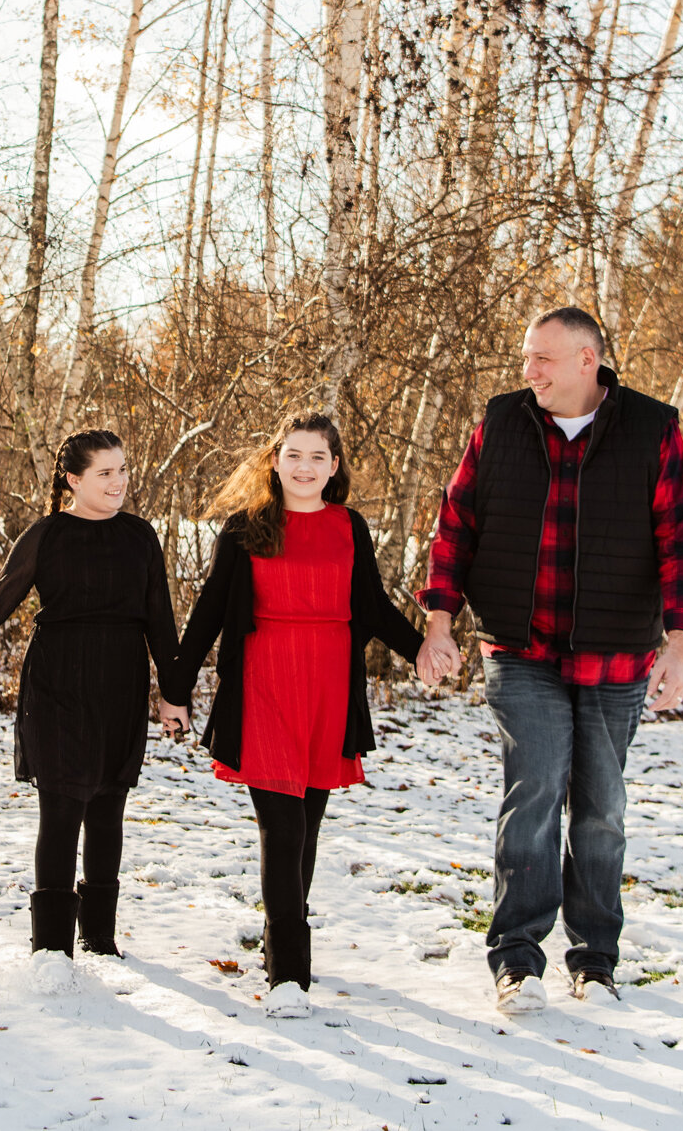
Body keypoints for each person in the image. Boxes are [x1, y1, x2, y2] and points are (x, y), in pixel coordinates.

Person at [414, 307, 683, 1014]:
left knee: (601, 809)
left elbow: (681, 539)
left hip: (615, 655)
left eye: (542, 358)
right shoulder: (501, 425)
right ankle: (518, 959)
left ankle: (596, 961)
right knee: (536, 792)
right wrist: (438, 619)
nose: (529, 371)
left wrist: (680, 645)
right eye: (525, 357)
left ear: (588, 360)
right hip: (521, 648)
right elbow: (456, 522)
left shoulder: (649, 429)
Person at [165, 411, 451, 1019]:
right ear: (274, 461)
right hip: (263, 683)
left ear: (335, 466)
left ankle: (280, 948)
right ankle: (289, 976)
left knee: (309, 829)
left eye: (318, 457)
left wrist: (421, 648)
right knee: (283, 827)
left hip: (327, 687)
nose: (304, 467)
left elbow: (370, 607)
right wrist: (175, 687)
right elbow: (209, 613)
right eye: (293, 455)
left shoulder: (351, 527)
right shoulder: (245, 529)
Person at [0, 430, 192, 993]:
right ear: (73, 481)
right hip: (57, 683)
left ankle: (100, 937)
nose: (119, 482)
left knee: (108, 808)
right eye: (105, 473)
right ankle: (51, 948)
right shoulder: (47, 535)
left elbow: (161, 622)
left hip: (120, 683)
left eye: (124, 469)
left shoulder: (140, 537)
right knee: (61, 809)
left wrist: (173, 694)